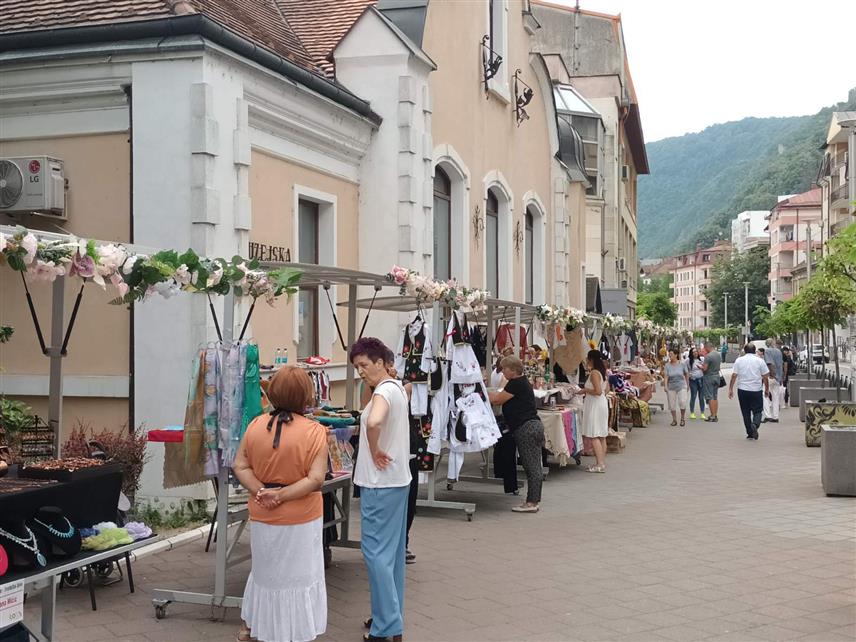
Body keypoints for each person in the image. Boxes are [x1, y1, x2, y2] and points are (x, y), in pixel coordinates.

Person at [233, 366, 329, 642]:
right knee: (299, 576)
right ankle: (295, 630)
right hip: (302, 516)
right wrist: (283, 495)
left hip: (263, 514)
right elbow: (316, 479)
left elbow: (240, 465)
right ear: (305, 396)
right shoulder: (315, 431)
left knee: (266, 572)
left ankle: (256, 625)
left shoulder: (255, 426)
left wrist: (263, 491)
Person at [350, 337, 411, 642]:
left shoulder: (384, 392)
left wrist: (373, 449)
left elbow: (373, 422)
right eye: (356, 367)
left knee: (375, 555)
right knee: (392, 555)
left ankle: (387, 626)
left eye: (363, 365)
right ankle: (388, 617)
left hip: (379, 482)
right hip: (397, 481)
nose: (360, 371)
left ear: (379, 362)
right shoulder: (396, 388)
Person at [488, 356, 546, 511]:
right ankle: (533, 500)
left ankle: (532, 502)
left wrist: (481, 394)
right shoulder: (520, 382)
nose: (503, 372)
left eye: (505, 369)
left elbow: (497, 400)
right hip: (531, 426)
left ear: (513, 370)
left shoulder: (516, 383)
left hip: (526, 427)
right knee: (533, 465)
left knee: (531, 465)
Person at [728, 343, 771, 440]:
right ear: (755, 350)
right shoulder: (760, 361)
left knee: (745, 411)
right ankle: (755, 424)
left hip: (743, 389)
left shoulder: (739, 360)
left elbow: (734, 375)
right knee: (758, 410)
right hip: (756, 389)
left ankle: (750, 432)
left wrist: (730, 388)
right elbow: (765, 376)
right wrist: (767, 389)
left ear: (745, 350)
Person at [576, 349, 609, 472]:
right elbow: (606, 390)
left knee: (595, 434)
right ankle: (601, 462)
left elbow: (598, 391)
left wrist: (585, 391)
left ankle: (599, 464)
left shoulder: (594, 373)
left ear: (591, 359)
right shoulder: (603, 372)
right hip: (601, 403)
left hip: (595, 404)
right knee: (601, 435)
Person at [662, 348, 690, 427]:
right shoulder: (667, 365)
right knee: (672, 404)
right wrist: (665, 386)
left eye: (671, 354)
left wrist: (688, 385)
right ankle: (674, 419)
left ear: (676, 355)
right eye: (669, 354)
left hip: (681, 385)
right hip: (671, 386)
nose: (670, 356)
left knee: (682, 402)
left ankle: (682, 418)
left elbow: (686, 374)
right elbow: (666, 376)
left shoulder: (682, 364)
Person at [762, 338, 784, 423]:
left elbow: (769, 363)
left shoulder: (767, 351)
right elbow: (781, 364)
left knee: (765, 394)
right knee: (776, 397)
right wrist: (780, 377)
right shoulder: (779, 351)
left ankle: (768, 415)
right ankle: (776, 416)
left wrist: (771, 374)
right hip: (778, 377)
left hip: (770, 376)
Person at [701, 341, 722, 422]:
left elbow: (705, 369)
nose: (705, 350)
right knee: (715, 396)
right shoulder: (718, 354)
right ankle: (715, 414)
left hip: (709, 377)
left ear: (707, 347)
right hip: (716, 376)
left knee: (710, 397)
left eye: (705, 348)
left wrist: (701, 367)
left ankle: (712, 415)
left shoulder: (708, 356)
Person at [686, 347, 706, 420]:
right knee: (693, 396)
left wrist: (701, 368)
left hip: (701, 379)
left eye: (696, 352)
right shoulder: (688, 361)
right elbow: (686, 370)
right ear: (691, 353)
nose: (695, 353)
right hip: (693, 380)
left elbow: (705, 369)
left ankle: (702, 413)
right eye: (693, 352)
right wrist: (689, 376)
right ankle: (692, 412)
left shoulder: (702, 359)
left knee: (701, 397)